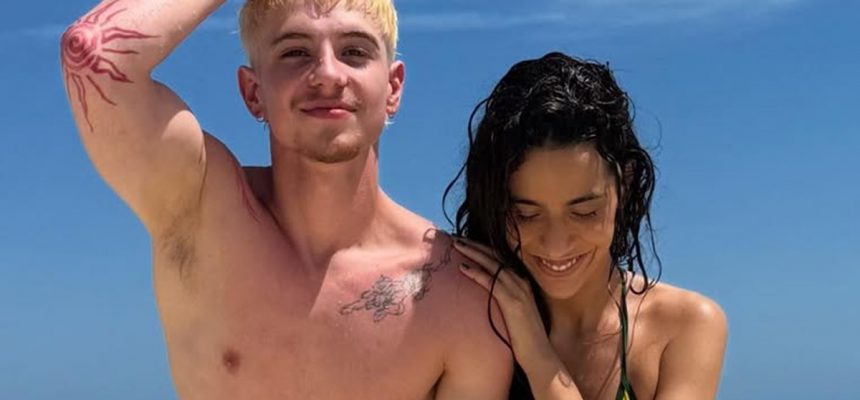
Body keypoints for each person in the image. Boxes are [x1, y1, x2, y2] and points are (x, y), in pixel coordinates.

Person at [60, 0, 512, 398]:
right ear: (253, 92)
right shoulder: (199, 213)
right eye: (295, 52)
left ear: (393, 88)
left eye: (354, 52)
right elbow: (94, 55)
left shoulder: (458, 294)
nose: (328, 74)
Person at [447, 52, 727, 400]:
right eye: (526, 215)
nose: (556, 244)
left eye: (584, 212)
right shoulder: (473, 319)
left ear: (625, 185)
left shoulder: (685, 327)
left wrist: (537, 354)